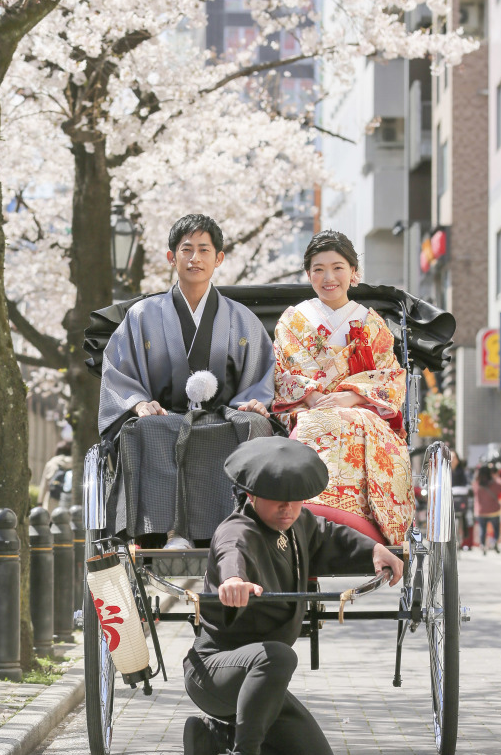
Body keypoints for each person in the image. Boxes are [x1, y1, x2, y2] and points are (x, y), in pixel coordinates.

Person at [182, 435, 403, 755]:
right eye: (276, 498)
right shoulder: (237, 531)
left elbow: (331, 535)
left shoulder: (299, 523)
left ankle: (214, 736)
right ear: (252, 495)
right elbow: (230, 554)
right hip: (215, 671)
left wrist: (375, 550)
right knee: (279, 656)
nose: (287, 507)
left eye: (295, 498)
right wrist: (233, 582)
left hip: (262, 680)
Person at [99, 214, 275, 548]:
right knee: (145, 428)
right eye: (186, 249)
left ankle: (236, 529)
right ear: (172, 257)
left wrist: (254, 402)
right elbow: (119, 374)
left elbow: (260, 377)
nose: (195, 258)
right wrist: (139, 403)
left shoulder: (242, 318)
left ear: (218, 258)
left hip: (225, 415)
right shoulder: (142, 315)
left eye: (204, 250)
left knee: (254, 425)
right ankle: (168, 531)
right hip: (165, 415)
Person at [272, 230, 414, 544]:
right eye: (319, 269)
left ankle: (360, 519)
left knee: (356, 422)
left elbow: (389, 376)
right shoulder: (292, 320)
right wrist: (314, 397)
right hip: (308, 408)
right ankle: (311, 511)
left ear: (353, 272)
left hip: (360, 409)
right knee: (315, 424)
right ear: (308, 274)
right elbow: (284, 373)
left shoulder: (371, 322)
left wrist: (351, 397)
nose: (329, 277)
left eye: (337, 267)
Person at [472, 464, 501, 554]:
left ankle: (483, 545)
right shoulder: (494, 483)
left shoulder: (476, 484)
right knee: (496, 528)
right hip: (493, 511)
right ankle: (495, 542)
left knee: (482, 529)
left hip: (481, 512)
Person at [38, 438, 73, 511]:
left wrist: (40, 502)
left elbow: (44, 485)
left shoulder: (52, 462)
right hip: (70, 500)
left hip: (52, 499)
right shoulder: (76, 463)